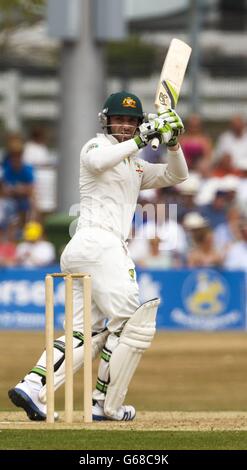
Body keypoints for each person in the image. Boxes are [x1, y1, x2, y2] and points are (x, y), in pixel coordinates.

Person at [8, 91, 188, 422]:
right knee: (131, 325)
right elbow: (98, 163)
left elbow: (178, 176)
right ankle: (107, 404)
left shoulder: (136, 165)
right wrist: (145, 136)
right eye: (119, 119)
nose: (124, 125)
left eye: (131, 121)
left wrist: (173, 142)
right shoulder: (96, 147)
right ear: (107, 121)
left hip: (84, 250)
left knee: (84, 333)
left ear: (137, 124)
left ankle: (33, 386)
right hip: (99, 244)